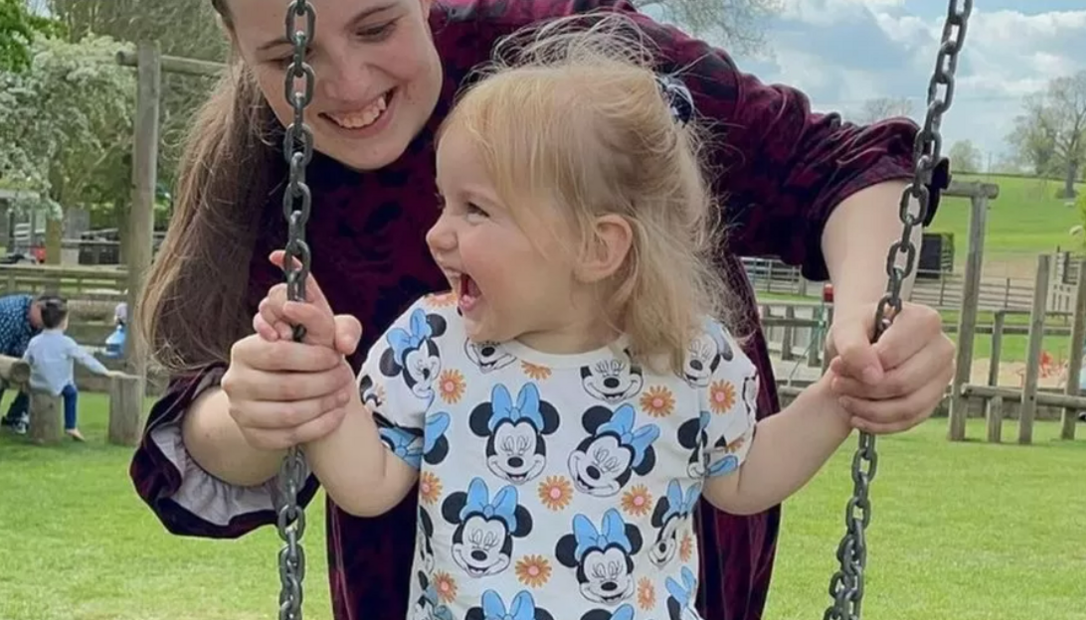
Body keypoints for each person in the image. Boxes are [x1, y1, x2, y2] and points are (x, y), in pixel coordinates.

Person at [130, 1, 956, 619]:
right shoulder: (426, 333)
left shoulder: (590, 85)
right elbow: (357, 476)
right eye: (289, 59)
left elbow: (834, 168)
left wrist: (858, 358)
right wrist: (302, 393)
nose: (345, 84)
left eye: (378, 26)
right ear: (239, 52)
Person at [21, 296, 117, 441]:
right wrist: (105, 371)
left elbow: (26, 361)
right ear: (63, 322)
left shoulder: (34, 341)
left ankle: (27, 418)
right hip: (57, 386)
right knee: (71, 393)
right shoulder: (66, 343)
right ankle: (71, 426)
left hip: (36, 384)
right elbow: (85, 359)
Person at [0, 292, 49, 434]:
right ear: (37, 307)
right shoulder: (9, 315)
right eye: (45, 315)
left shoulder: (46, 322)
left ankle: (15, 417)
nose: (48, 321)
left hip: (18, 356)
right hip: (4, 349)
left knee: (40, 374)